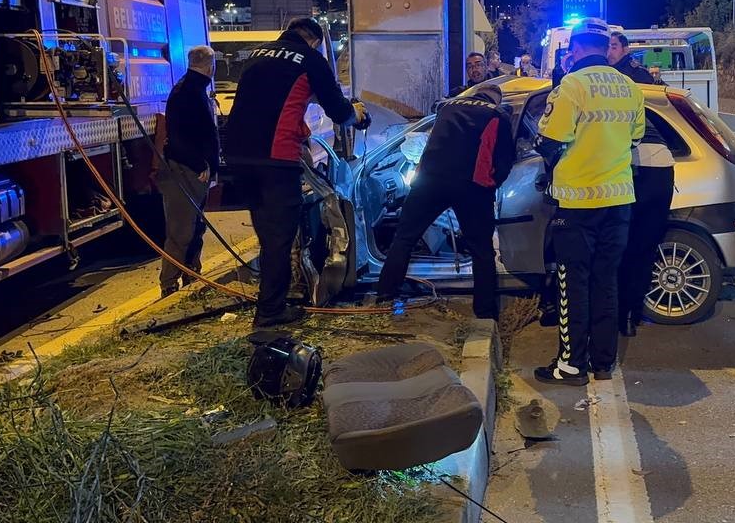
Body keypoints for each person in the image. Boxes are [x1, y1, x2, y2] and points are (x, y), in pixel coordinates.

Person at [224, 17, 371, 330]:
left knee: (267, 234)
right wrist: (356, 114)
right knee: (280, 236)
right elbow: (338, 111)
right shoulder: (311, 59)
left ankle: (270, 301)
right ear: (314, 40)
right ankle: (270, 314)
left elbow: (272, 99)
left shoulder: (257, 55)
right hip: (276, 157)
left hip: (238, 154)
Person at [533, 17, 645, 385]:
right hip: (619, 201)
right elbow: (634, 139)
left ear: (577, 48)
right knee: (606, 281)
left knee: (572, 284)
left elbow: (548, 141)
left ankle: (571, 365)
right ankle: (602, 362)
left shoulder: (572, 86)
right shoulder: (629, 86)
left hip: (577, 204)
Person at [376, 84, 515, 319]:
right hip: (470, 187)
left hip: (429, 181)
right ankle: (485, 312)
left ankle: (385, 296)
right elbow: (504, 160)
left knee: (404, 238)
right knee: (481, 250)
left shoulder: (447, 107)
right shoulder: (497, 114)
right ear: (497, 100)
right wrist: (491, 186)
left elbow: (431, 142)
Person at [606, 31, 675, 337]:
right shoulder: (641, 79)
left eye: (612, 46)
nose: (608, 51)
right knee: (645, 247)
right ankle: (633, 314)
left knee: (624, 244)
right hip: (662, 163)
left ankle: (621, 316)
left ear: (624, 49)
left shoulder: (619, 80)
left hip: (638, 164)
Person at [158, 45, 220, 298]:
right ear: (210, 66)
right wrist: (199, 164)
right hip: (186, 170)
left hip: (192, 169)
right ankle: (169, 283)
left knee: (194, 226)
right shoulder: (189, 92)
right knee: (181, 229)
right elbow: (180, 136)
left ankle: (191, 272)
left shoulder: (192, 89)